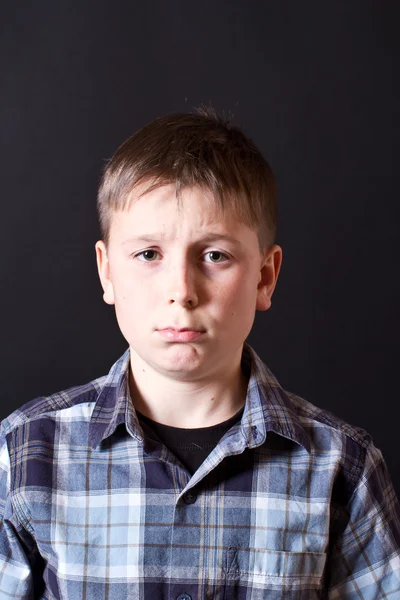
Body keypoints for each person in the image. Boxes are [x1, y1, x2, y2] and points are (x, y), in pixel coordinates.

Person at [0, 109, 399, 600]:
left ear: (264, 277)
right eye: (148, 254)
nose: (182, 291)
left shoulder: (343, 468)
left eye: (215, 255)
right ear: (107, 272)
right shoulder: (24, 455)